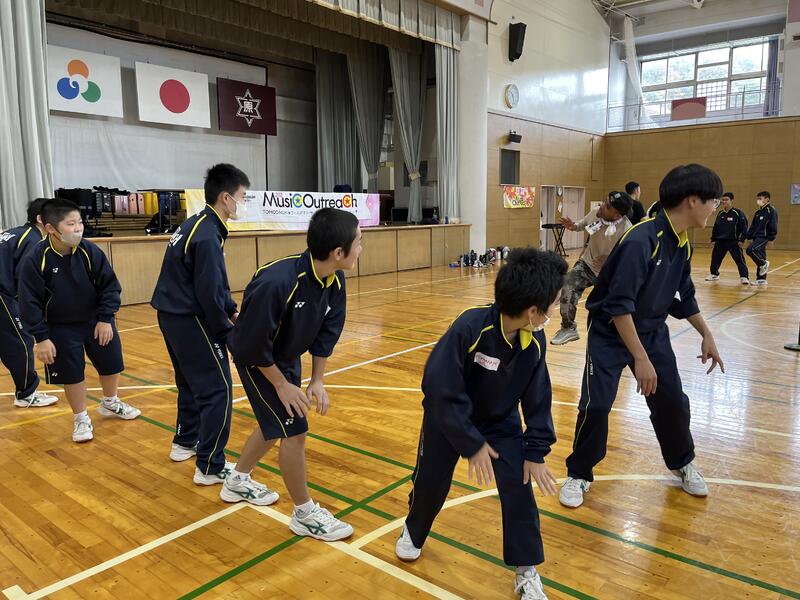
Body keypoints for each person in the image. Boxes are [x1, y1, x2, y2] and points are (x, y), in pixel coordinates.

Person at [394, 247, 568, 600]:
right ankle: (413, 529)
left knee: (519, 485)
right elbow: (439, 388)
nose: (556, 310)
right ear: (533, 311)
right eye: (554, 304)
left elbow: (538, 397)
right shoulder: (470, 327)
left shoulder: (534, 341)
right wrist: (471, 443)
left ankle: (526, 568)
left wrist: (535, 450)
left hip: (499, 423)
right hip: (447, 420)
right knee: (430, 483)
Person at [560, 164, 725, 509]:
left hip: (651, 333)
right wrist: (640, 358)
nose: (715, 207)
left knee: (673, 401)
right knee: (596, 405)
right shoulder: (641, 240)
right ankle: (578, 473)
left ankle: (682, 462)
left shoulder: (682, 244)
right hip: (610, 332)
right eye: (713, 200)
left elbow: (684, 295)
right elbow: (619, 306)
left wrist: (706, 334)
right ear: (692, 200)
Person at [221, 208, 362, 543]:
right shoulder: (277, 282)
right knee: (294, 430)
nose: (361, 248)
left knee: (275, 424)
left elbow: (327, 333)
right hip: (255, 358)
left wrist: (318, 380)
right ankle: (304, 514)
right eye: (359, 242)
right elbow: (251, 344)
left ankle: (236, 481)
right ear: (338, 252)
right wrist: (281, 384)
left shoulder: (334, 279)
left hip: (285, 357)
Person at [151, 163, 249, 484]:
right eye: (242, 196)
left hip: (171, 315)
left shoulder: (197, 224)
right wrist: (227, 334)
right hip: (189, 319)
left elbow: (214, 285)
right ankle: (210, 466)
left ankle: (184, 442)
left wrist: (232, 312)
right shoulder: (207, 235)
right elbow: (209, 291)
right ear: (225, 198)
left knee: (190, 383)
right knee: (218, 389)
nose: (243, 202)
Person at [18, 198, 140, 443]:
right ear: (51, 228)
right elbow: (29, 302)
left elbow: (109, 286)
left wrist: (105, 319)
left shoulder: (89, 251)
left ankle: (110, 402)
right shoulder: (35, 259)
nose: (78, 229)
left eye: (80, 222)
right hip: (60, 327)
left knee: (111, 363)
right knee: (72, 373)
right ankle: (81, 417)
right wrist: (41, 338)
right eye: (71, 224)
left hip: (96, 321)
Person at [551, 191, 633, 345]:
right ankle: (568, 328)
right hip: (587, 265)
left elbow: (628, 259)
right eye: (604, 201)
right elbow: (581, 225)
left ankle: (618, 339)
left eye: (607, 206)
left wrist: (609, 260)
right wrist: (573, 226)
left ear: (617, 214)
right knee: (567, 285)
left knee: (611, 309)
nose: (602, 206)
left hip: (610, 273)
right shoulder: (596, 213)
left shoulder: (627, 229)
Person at [0, 198, 58, 408]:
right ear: (41, 219)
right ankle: (26, 393)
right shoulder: (33, 240)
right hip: (3, 294)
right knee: (21, 341)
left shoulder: (15, 233)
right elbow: (25, 281)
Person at [705, 192, 749, 285]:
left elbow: (744, 227)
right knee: (715, 258)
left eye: (726, 200)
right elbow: (716, 227)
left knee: (739, 259)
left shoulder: (737, 213)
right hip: (720, 241)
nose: (724, 201)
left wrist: (742, 239)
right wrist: (712, 238)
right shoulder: (720, 213)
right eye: (723, 200)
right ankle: (714, 274)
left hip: (733, 241)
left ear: (731, 200)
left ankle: (744, 276)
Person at [745, 191, 778, 286]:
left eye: (760, 198)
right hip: (757, 237)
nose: (758, 200)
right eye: (758, 198)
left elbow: (773, 224)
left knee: (750, 250)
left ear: (767, 199)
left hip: (764, 237)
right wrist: (749, 236)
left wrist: (771, 238)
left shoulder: (771, 210)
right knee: (761, 255)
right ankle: (761, 279)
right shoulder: (758, 212)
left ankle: (763, 263)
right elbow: (753, 226)